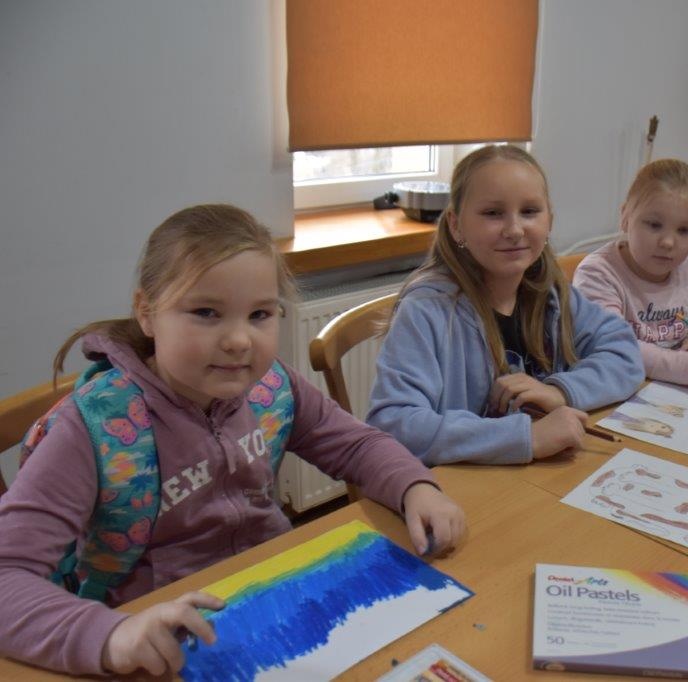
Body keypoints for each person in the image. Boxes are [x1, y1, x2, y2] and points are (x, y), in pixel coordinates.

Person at [0, 205, 466, 677]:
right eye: (206, 312)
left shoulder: (272, 387)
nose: (240, 340)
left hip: (276, 602)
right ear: (146, 312)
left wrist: (414, 486)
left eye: (260, 314)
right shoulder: (93, 429)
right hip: (158, 642)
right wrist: (111, 636)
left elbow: (356, 446)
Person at [366, 145, 644, 465]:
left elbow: (625, 351)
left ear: (549, 221)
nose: (514, 230)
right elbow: (393, 424)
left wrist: (560, 392)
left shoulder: (550, 292)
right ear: (456, 225)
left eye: (529, 211)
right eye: (493, 213)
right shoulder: (426, 310)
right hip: (461, 484)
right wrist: (525, 437)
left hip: (537, 476)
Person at [574, 159, 688, 386]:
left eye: (684, 230)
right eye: (654, 225)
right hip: (617, 392)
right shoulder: (597, 274)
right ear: (625, 218)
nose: (667, 242)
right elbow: (614, 346)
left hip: (673, 393)